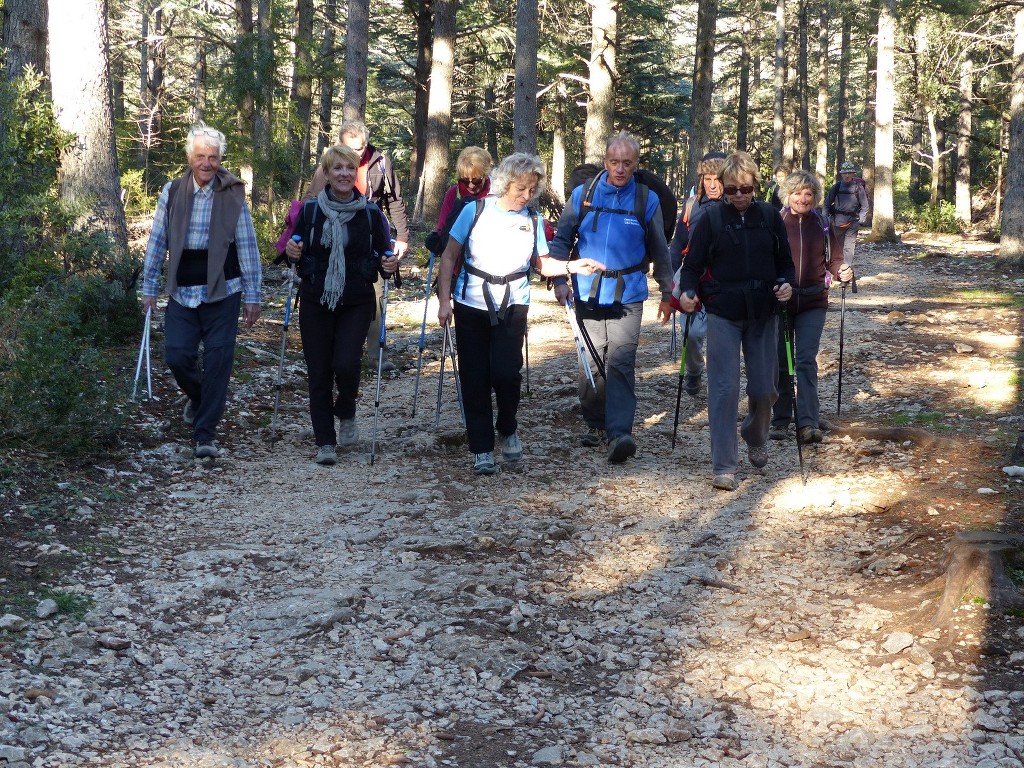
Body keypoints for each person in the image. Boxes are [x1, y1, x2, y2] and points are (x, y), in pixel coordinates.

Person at [437, 153, 590, 476]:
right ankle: (481, 448)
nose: (526, 195)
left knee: (507, 374)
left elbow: (542, 264)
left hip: (513, 302)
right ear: (505, 184)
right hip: (470, 303)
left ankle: (507, 426)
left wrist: (572, 266)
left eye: (532, 190)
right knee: (474, 377)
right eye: (521, 188)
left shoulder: (532, 220)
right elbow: (449, 257)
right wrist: (444, 301)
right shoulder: (474, 211)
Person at [548, 132, 673, 464]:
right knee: (591, 362)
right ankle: (594, 423)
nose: (620, 169)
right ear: (605, 162)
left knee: (620, 362)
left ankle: (619, 433)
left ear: (635, 165)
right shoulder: (583, 195)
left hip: (629, 292)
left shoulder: (647, 200)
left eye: (627, 163)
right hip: (587, 291)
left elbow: (661, 250)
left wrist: (667, 292)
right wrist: (560, 278)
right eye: (615, 162)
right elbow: (561, 242)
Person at [141, 123, 262, 459]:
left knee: (219, 360)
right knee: (177, 356)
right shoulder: (173, 191)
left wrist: (253, 296)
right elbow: (157, 241)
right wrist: (149, 288)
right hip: (183, 290)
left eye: (212, 157)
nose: (206, 163)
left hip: (224, 289)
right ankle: (198, 398)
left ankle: (205, 435)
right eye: (200, 156)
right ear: (189, 157)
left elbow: (248, 245)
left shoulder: (232, 193)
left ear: (220, 158)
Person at [676, 151, 794, 491]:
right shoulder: (710, 219)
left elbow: (785, 263)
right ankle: (724, 464)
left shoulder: (771, 217)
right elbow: (693, 266)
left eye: (744, 189)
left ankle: (755, 434)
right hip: (722, 312)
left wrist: (786, 284)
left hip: (763, 313)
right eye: (731, 190)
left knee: (764, 388)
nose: (739, 196)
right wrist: (686, 292)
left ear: (755, 186)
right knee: (724, 390)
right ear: (722, 189)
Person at [284, 144, 398, 466]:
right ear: (327, 174)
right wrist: (293, 254)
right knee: (318, 371)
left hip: (356, 299)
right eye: (337, 169)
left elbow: (383, 253)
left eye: (349, 168)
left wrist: (388, 264)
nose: (344, 174)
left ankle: (346, 408)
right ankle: (325, 442)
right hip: (316, 297)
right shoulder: (309, 211)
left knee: (346, 365)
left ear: (356, 173)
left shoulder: (371, 213)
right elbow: (292, 248)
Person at [308, 120, 409, 371]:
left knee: (375, 294)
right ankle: (336, 351)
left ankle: (376, 356)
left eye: (362, 148)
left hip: (370, 234)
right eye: (353, 149)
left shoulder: (380, 162)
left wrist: (403, 237)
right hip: (332, 239)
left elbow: (395, 200)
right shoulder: (330, 165)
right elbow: (311, 199)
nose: (358, 154)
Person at [769, 170, 854, 445]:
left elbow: (835, 258)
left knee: (805, 361)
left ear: (815, 197)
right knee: (782, 362)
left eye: (808, 193)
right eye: (797, 193)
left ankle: (807, 422)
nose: (803, 198)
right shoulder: (776, 222)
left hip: (814, 301)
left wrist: (842, 269)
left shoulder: (823, 225)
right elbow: (766, 261)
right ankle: (780, 419)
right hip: (781, 302)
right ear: (787, 195)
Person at [669, 150, 727, 397]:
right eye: (707, 178)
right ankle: (694, 370)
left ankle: (720, 382)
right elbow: (677, 244)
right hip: (692, 276)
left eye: (718, 179)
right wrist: (674, 278)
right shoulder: (693, 206)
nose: (712, 185)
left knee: (721, 336)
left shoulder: (735, 207)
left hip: (723, 279)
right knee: (691, 333)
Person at [425, 146, 493, 255]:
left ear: (485, 175)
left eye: (476, 180)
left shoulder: (496, 193)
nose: (470, 185)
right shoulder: (454, 193)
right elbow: (442, 227)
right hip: (457, 256)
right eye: (465, 180)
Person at [824, 160, 869, 271]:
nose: (847, 175)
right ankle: (837, 270)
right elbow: (827, 204)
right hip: (836, 223)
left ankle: (846, 269)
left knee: (849, 248)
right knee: (837, 248)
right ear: (841, 174)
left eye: (849, 173)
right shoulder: (836, 187)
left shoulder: (859, 188)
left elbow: (865, 206)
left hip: (852, 223)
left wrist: (861, 220)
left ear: (853, 174)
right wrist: (824, 219)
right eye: (845, 173)